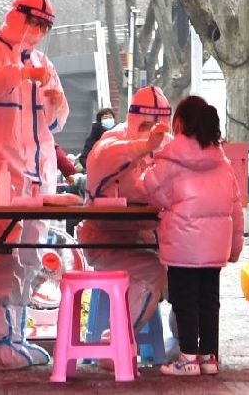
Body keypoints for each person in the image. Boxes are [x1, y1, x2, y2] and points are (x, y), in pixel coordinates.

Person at [0, 0, 69, 370]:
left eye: (44, 26)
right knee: (0, 262)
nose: (37, 32)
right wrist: (19, 73)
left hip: (37, 181)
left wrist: (56, 104)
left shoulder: (43, 62)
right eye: (34, 22)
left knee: (29, 260)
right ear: (16, 15)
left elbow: (55, 120)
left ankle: (16, 337)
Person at [140, 95, 243, 377]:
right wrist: (234, 248)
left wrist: (167, 198)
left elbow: (149, 188)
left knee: (185, 301)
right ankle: (209, 357)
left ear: (181, 123)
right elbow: (236, 208)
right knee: (209, 301)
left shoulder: (172, 157)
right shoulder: (222, 161)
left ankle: (187, 358)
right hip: (215, 248)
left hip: (183, 245)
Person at [76, 86, 171, 334]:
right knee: (153, 272)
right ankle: (117, 339)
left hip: (148, 243)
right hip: (105, 242)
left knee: (188, 274)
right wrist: (143, 146)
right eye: (145, 125)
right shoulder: (113, 140)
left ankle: (185, 345)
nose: (153, 133)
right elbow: (103, 158)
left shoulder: (167, 147)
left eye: (159, 127)